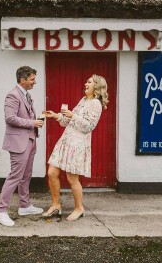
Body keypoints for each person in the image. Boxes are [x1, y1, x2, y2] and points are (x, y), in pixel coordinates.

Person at [42, 74, 109, 221]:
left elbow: (89, 126)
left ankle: (79, 209)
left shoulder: (95, 104)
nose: (86, 83)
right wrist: (56, 116)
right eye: (86, 81)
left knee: (72, 178)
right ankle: (56, 205)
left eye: (89, 82)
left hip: (78, 144)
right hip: (65, 141)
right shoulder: (83, 100)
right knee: (52, 172)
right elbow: (68, 122)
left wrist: (73, 116)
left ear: (96, 87)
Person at [0, 66, 45, 227]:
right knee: (15, 176)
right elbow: (10, 118)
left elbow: (24, 114)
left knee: (26, 175)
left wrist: (37, 118)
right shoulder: (13, 95)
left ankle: (24, 205)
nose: (34, 82)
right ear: (22, 80)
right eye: (32, 79)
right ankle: (0, 211)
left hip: (30, 140)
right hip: (18, 143)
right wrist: (32, 122)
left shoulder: (26, 95)